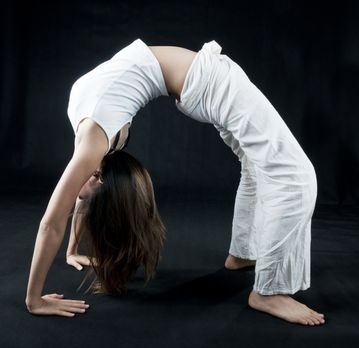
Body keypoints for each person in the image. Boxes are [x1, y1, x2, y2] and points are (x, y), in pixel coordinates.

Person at [25, 38, 325, 326]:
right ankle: (269, 292)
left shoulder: (90, 149)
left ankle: (243, 254)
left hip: (202, 83)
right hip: (208, 82)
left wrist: (71, 250)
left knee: (255, 162)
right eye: (91, 190)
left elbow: (71, 204)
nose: (81, 193)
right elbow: (53, 223)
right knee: (295, 175)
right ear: (102, 180)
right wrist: (35, 300)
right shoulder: (93, 146)